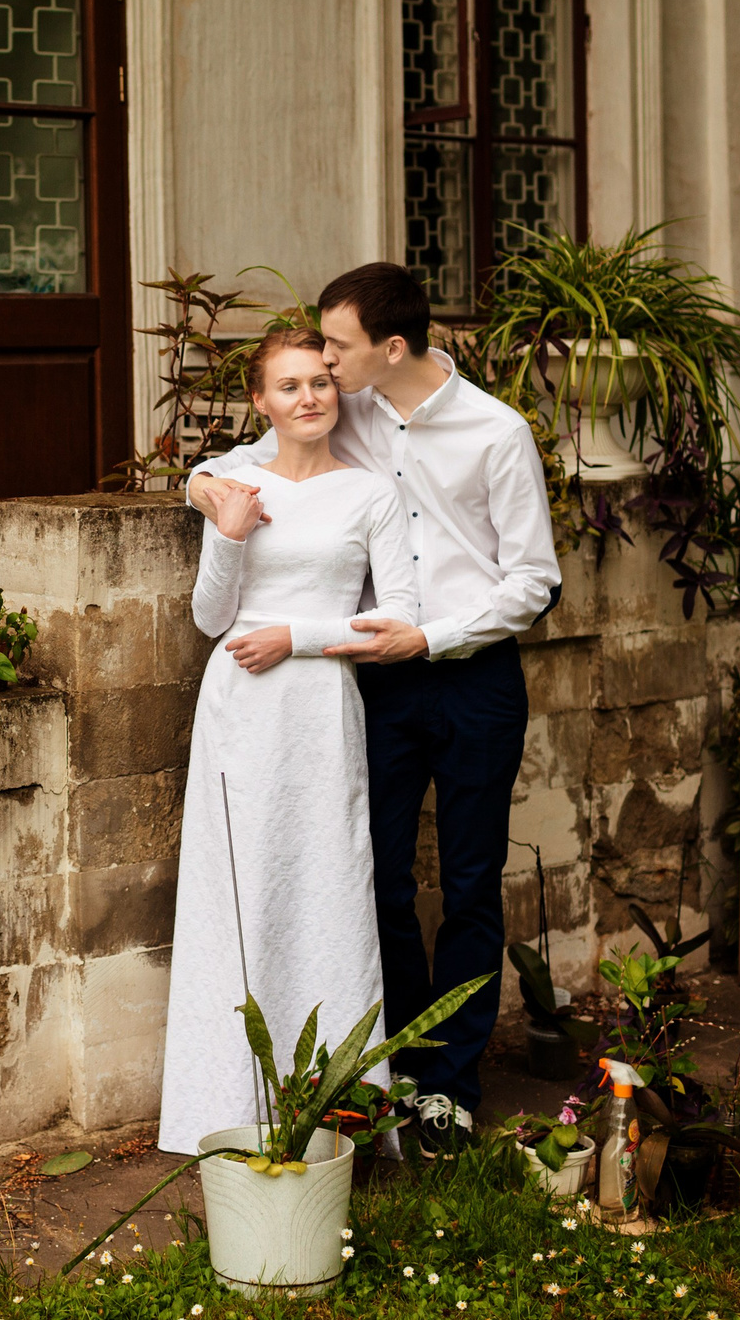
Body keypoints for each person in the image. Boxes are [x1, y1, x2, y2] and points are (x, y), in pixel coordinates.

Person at [187, 263, 560, 1157]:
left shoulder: (496, 434)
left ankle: (451, 1089)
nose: (324, 360)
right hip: (372, 682)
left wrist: (429, 639)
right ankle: (396, 1067)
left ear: (391, 348)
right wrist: (205, 485)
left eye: (338, 346)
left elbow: (534, 581)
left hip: (469, 675)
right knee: (378, 880)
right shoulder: (343, 403)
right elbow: (241, 461)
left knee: (469, 885)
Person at [157, 329, 420, 1157]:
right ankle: (225, 1105)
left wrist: (293, 636)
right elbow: (209, 618)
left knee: (326, 887)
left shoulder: (372, 494)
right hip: (238, 710)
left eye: (320, 382)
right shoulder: (234, 483)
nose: (309, 397)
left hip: (318, 707)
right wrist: (228, 529)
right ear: (262, 403)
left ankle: (337, 1112)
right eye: (289, 385)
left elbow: (396, 618)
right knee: (236, 894)